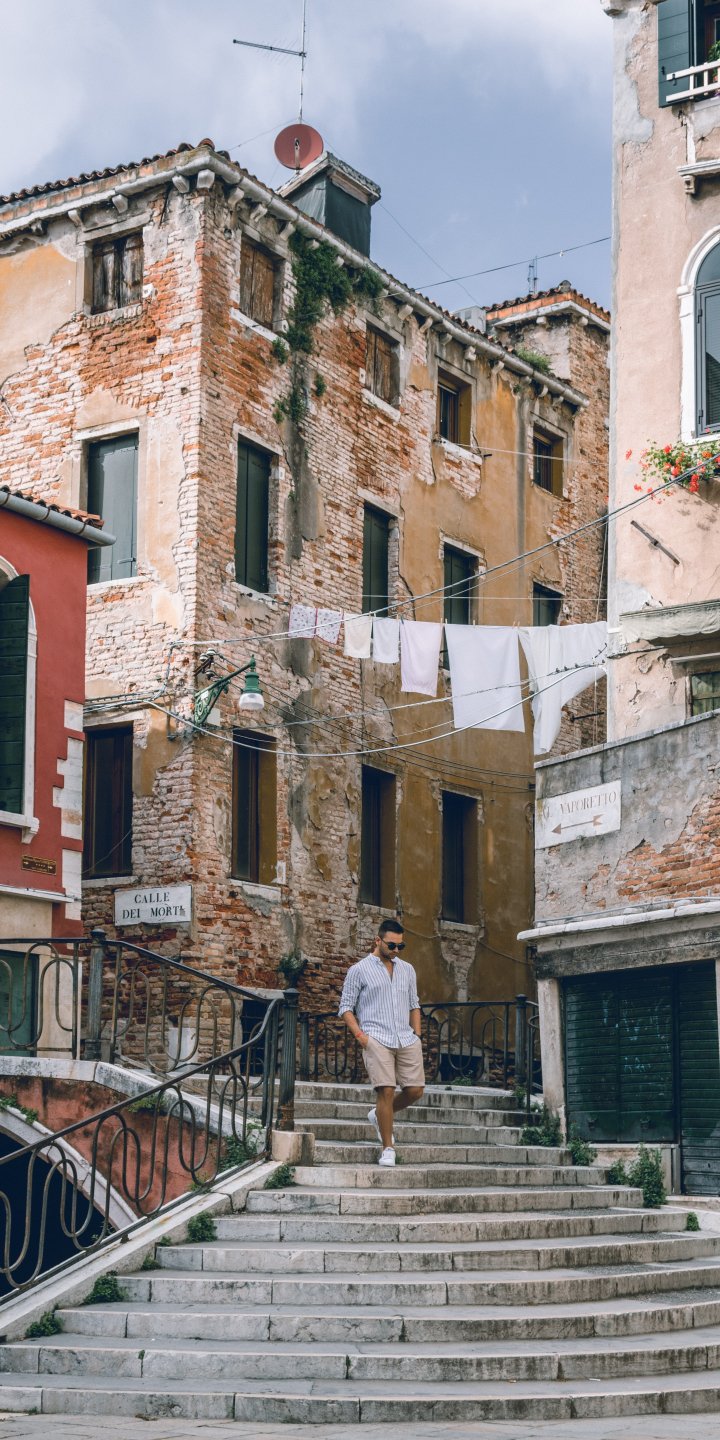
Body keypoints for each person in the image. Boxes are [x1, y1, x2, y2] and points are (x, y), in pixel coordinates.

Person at [338, 918, 425, 1167]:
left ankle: (378, 1115)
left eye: (401, 946)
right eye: (391, 945)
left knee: (415, 1090)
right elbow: (346, 1007)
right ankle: (388, 1148)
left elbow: (414, 1004)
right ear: (377, 940)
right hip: (376, 1038)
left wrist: (417, 1035)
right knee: (386, 1090)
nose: (396, 950)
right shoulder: (359, 970)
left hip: (406, 1038)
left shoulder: (407, 970)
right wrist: (362, 1037)